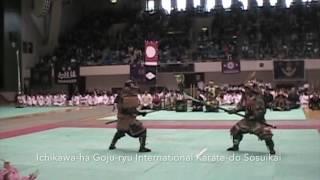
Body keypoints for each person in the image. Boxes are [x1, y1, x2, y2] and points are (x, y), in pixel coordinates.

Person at [227, 84, 276, 155]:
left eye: (247, 89)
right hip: (247, 120)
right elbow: (241, 106)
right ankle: (235, 146)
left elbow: (262, 110)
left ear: (251, 90)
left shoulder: (258, 98)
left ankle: (271, 149)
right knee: (236, 129)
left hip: (258, 121)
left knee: (267, 135)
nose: (246, 90)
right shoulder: (245, 97)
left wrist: (255, 116)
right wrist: (233, 110)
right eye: (245, 89)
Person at [109, 80, 151, 152]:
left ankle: (112, 145)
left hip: (121, 119)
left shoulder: (120, 95)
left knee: (120, 132)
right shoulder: (128, 96)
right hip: (129, 122)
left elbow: (122, 107)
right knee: (143, 131)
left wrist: (137, 113)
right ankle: (142, 147)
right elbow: (130, 110)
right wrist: (140, 113)